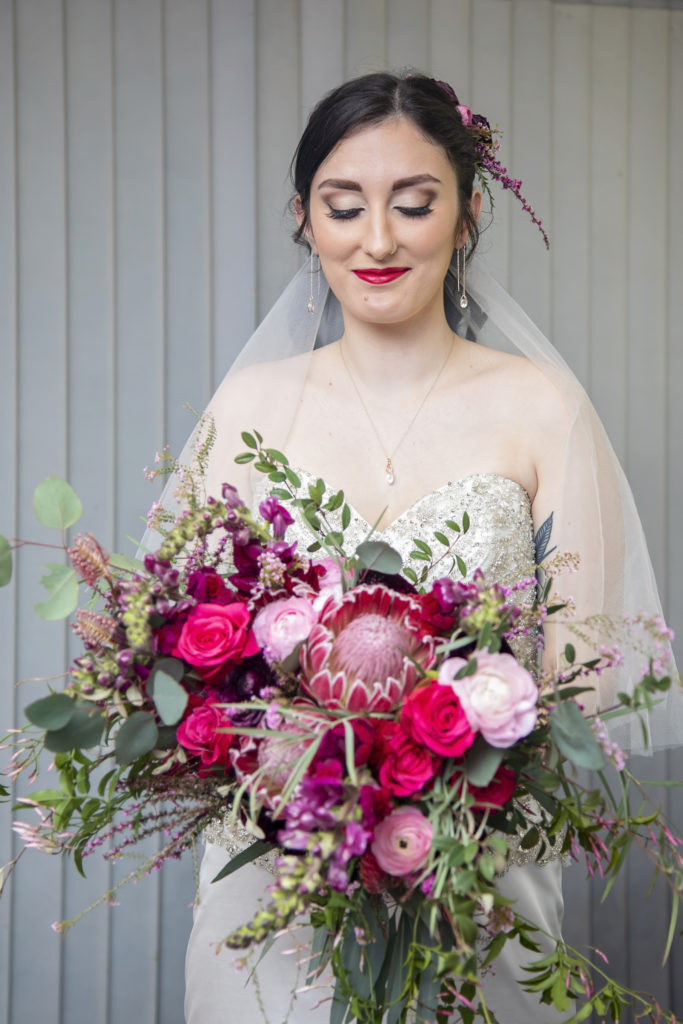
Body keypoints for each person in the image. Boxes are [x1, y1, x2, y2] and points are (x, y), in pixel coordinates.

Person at [173, 72, 680, 1023]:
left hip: (473, 866)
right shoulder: (247, 407)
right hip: (273, 871)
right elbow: (182, 637)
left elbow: (590, 666)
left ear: (467, 211)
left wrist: (438, 759)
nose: (377, 240)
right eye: (342, 207)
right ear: (302, 217)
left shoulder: (540, 406)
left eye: (413, 204)